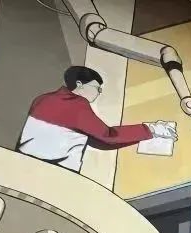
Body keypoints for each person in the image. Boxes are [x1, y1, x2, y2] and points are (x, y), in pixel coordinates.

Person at [17, 65, 177, 172]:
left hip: (24, 163)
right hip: (56, 172)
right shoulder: (76, 106)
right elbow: (108, 136)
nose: (99, 93)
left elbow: (94, 140)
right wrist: (152, 129)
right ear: (80, 84)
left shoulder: (43, 99)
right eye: (97, 88)